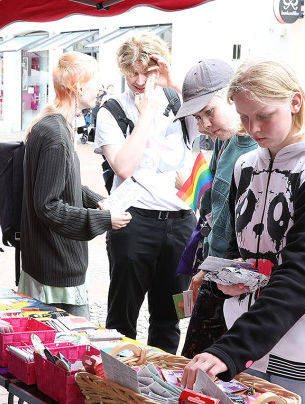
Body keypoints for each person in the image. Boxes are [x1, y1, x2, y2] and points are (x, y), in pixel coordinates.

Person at [181, 56, 305, 404]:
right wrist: (226, 278)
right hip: (250, 348)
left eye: (263, 116)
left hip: (303, 352)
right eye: (244, 117)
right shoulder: (246, 164)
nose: (253, 128)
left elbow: (301, 276)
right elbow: (236, 248)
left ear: (295, 102)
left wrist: (232, 349)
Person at [19, 51, 131, 404]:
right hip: (53, 264)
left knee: (59, 346)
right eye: (94, 80)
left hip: (55, 261)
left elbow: (64, 188)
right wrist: (102, 220)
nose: (100, 87)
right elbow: (47, 206)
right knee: (49, 348)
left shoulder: (57, 126)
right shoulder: (53, 132)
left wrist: (97, 201)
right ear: (75, 85)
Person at [93, 33, 198, 354]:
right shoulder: (112, 110)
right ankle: (115, 387)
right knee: (122, 313)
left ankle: (159, 385)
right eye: (132, 72)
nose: (139, 81)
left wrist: (174, 83)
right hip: (133, 221)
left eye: (147, 72)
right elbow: (123, 167)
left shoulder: (179, 103)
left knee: (169, 316)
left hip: (180, 221)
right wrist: (147, 115)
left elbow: (219, 124)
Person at [177, 59, 258, 359]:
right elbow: (215, 213)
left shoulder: (253, 147)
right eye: (198, 118)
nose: (205, 124)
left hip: (237, 279)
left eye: (208, 112)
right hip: (216, 272)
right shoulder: (225, 142)